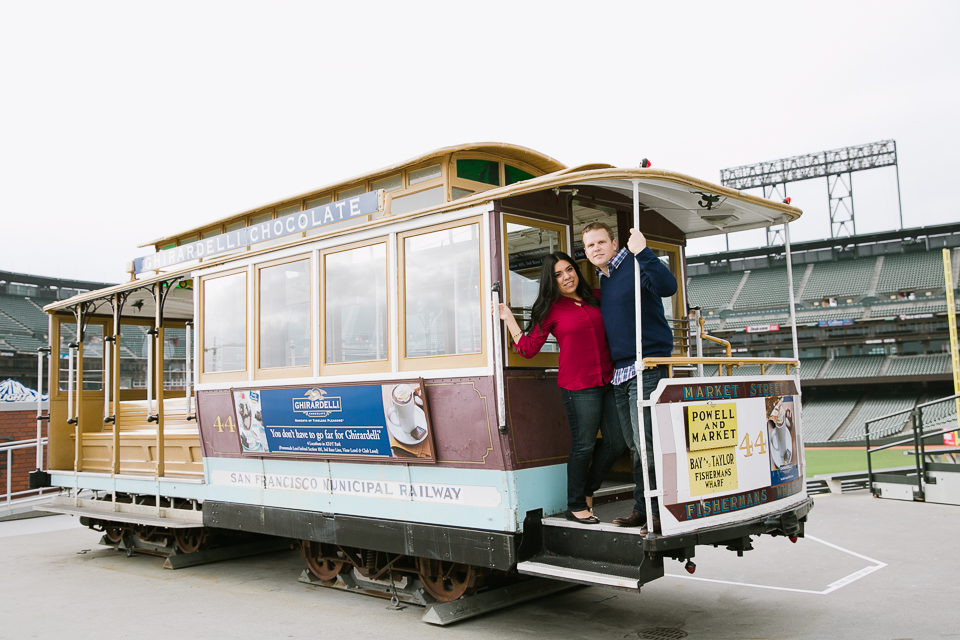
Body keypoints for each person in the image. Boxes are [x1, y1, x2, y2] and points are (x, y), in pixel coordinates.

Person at [495, 251, 625, 524]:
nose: (566, 277)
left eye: (569, 270)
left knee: (617, 443)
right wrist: (509, 320)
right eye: (558, 274)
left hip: (609, 380)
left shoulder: (596, 299)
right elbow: (528, 350)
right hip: (578, 386)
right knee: (584, 446)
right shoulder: (551, 309)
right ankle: (576, 504)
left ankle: (588, 491)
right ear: (551, 281)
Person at [582, 222, 677, 534]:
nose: (595, 249)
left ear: (613, 243)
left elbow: (667, 287)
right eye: (589, 246)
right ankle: (644, 508)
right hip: (621, 371)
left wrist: (644, 251)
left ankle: (658, 511)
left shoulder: (635, 262)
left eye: (600, 242)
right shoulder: (605, 279)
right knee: (634, 444)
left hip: (646, 365)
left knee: (645, 443)